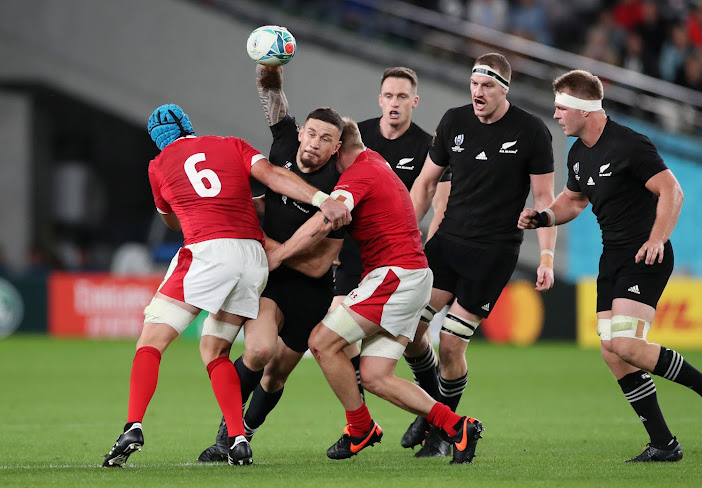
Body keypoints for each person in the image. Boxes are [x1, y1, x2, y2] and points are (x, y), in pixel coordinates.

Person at [101, 103, 350, 467]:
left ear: (158, 141)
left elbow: (172, 222)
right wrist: (319, 198)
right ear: (189, 126)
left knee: (151, 341)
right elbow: (272, 176)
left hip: (207, 250)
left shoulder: (158, 166)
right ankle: (236, 438)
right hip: (252, 256)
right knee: (215, 351)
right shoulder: (229, 144)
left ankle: (133, 425)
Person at [518, 69, 702, 462]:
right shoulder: (578, 153)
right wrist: (544, 218)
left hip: (645, 256)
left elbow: (672, 189)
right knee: (612, 352)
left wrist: (657, 238)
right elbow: (573, 201)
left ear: (585, 109)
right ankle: (663, 443)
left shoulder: (629, 144)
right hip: (613, 258)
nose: (555, 114)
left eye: (560, 107)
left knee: (625, 344)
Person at [267, 119, 484, 464]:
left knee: (321, 342)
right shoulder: (375, 162)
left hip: (395, 276)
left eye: (327, 143)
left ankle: (360, 427)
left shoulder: (358, 174)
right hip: (409, 277)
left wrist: (277, 254)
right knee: (374, 376)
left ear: (338, 148)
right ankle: (458, 426)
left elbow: (329, 216)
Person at [406, 52, 557, 456]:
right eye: (474, 84)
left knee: (452, 346)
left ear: (504, 89)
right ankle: (432, 410)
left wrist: (546, 258)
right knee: (409, 333)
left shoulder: (531, 131)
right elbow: (424, 183)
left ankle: (441, 431)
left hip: (493, 253)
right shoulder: (454, 121)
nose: (478, 92)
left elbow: (545, 201)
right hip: (446, 244)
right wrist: (403, 235)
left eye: (487, 86)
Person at [196, 65, 347, 463]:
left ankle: (247, 430)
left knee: (277, 373)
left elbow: (318, 266)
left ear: (336, 148)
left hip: (311, 292)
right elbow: (272, 95)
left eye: (325, 139)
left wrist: (268, 246)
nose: (314, 143)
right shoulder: (282, 147)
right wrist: (269, 69)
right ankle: (228, 435)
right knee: (259, 350)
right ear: (301, 134)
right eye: (311, 133)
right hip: (272, 282)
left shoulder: (342, 187)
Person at [331, 66, 450, 415]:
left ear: (415, 101)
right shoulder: (357, 137)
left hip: (400, 259)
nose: (394, 103)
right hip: (355, 253)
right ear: (379, 99)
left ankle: (434, 413)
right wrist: (331, 246)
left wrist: (425, 249)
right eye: (388, 96)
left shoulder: (429, 146)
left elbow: (439, 204)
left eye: (402, 96)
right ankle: (360, 417)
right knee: (337, 328)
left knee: (414, 341)